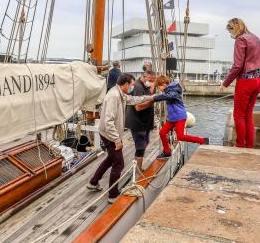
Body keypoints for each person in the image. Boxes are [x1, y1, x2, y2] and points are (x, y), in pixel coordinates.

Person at [87, 73, 154, 203]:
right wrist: (117, 140)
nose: (132, 88)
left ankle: (93, 182)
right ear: (126, 84)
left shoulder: (120, 94)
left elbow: (133, 100)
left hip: (111, 133)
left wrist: (151, 97)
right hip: (109, 134)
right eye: (132, 85)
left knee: (110, 159)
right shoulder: (113, 96)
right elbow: (108, 121)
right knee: (119, 163)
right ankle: (113, 195)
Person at [219, 18, 260, 148]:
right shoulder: (255, 37)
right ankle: (249, 146)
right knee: (248, 114)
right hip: (258, 80)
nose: (230, 34)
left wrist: (225, 83)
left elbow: (237, 65)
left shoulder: (240, 39)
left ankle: (240, 145)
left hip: (246, 81)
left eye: (230, 30)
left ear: (234, 28)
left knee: (239, 115)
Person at [153, 75, 208, 158]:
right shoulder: (168, 90)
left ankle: (203, 140)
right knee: (162, 132)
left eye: (159, 87)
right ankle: (167, 151)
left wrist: (154, 98)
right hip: (172, 118)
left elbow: (169, 96)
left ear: (164, 84)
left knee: (180, 136)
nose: (159, 89)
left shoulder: (173, 89)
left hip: (179, 117)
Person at [125, 70, 156, 171]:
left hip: (145, 122)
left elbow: (148, 96)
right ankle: (138, 169)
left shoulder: (146, 86)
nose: (151, 82)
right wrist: (152, 101)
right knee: (141, 146)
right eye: (150, 80)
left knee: (145, 142)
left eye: (153, 81)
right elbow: (138, 107)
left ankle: (136, 165)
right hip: (138, 122)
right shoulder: (138, 87)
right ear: (145, 76)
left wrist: (152, 89)